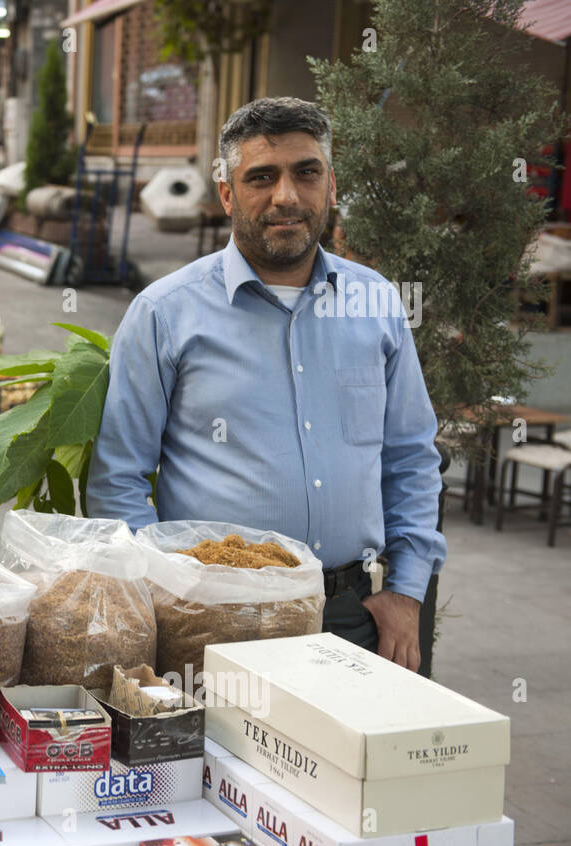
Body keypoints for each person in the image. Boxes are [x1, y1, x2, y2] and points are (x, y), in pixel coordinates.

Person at [87, 97, 445, 672]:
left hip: (354, 618)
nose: (287, 196)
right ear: (228, 193)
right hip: (217, 619)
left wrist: (406, 591)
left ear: (330, 185)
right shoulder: (164, 313)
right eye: (262, 177)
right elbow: (118, 479)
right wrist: (168, 602)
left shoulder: (376, 303)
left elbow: (410, 459)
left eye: (306, 173)